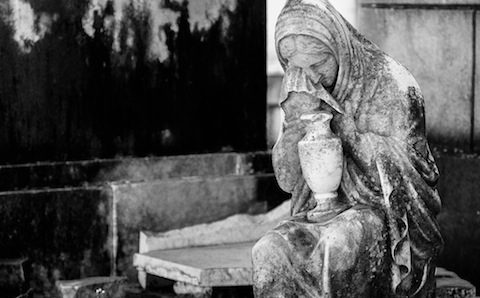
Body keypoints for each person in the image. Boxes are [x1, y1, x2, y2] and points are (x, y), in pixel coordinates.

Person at [252, 0, 443, 297]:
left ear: (338, 47)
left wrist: (343, 128)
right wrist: (294, 125)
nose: (311, 77)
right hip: (320, 211)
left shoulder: (390, 83)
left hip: (382, 215)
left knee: (339, 244)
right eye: (296, 67)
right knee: (269, 251)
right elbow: (288, 180)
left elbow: (412, 179)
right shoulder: (301, 86)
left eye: (318, 64)